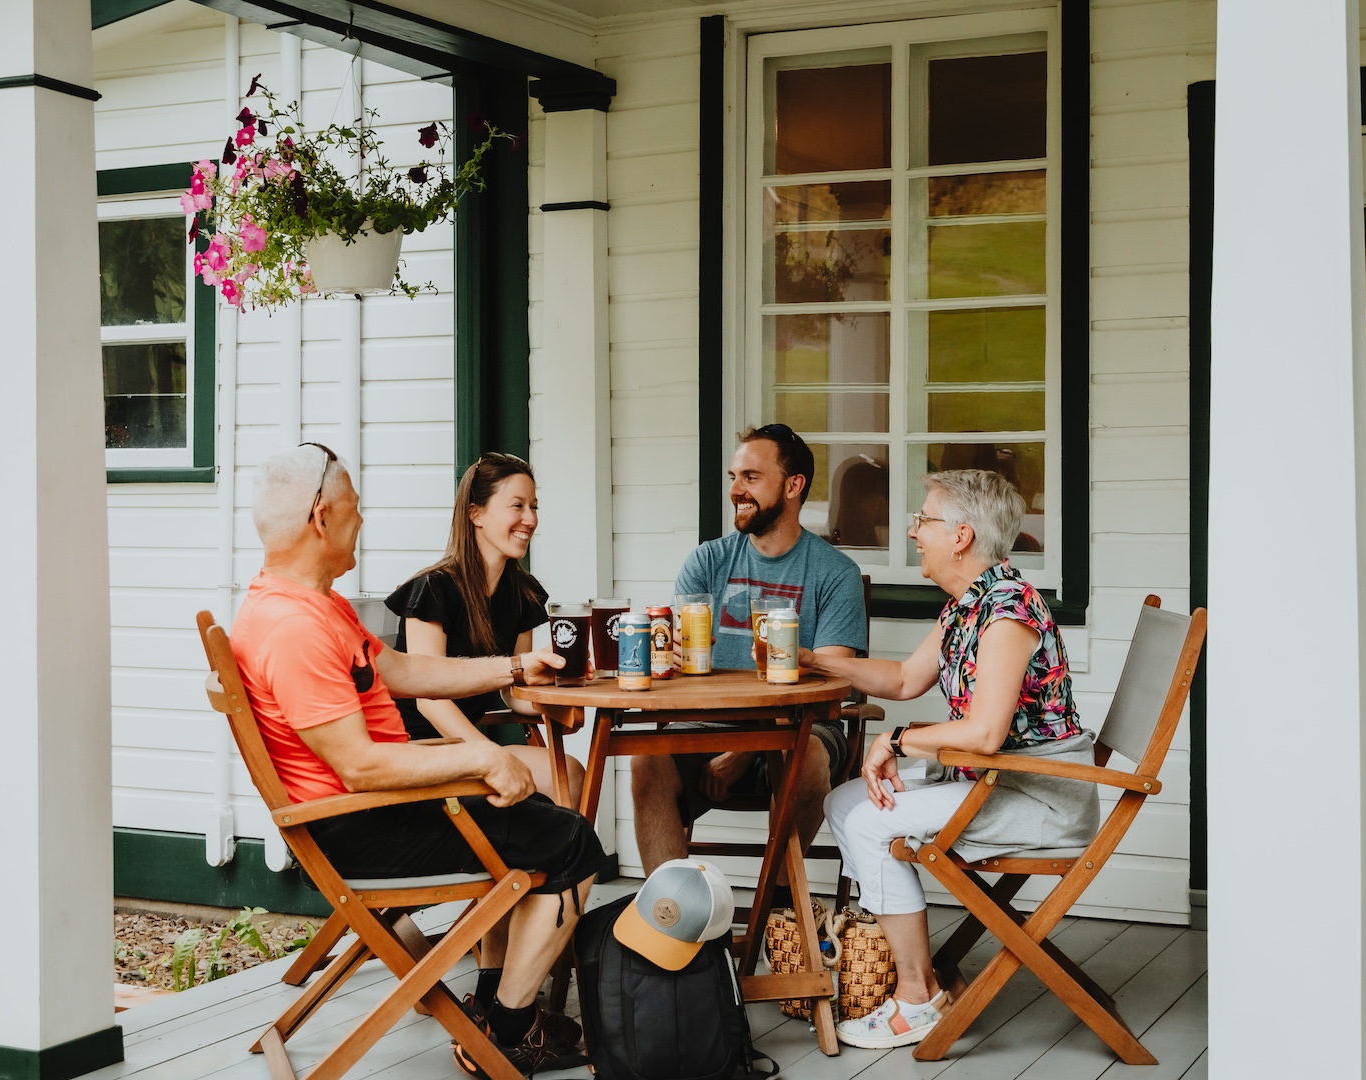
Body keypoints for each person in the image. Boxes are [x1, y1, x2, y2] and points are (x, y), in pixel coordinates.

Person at [229, 444, 604, 1078]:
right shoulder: (294, 630)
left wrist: (513, 666)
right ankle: (509, 1032)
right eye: (353, 507)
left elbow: (404, 670)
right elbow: (361, 769)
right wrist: (482, 760)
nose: (361, 520)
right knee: (570, 842)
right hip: (365, 826)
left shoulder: (316, 607)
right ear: (321, 516)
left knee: (537, 812)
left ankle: (490, 1006)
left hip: (374, 813)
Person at [808, 469, 1097, 1050]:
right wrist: (814, 660)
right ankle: (921, 975)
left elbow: (986, 732)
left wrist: (896, 742)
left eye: (924, 519)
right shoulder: (967, 605)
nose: (914, 531)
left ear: (961, 535)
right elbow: (903, 677)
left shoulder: (1008, 610)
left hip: (1036, 794)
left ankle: (918, 998)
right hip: (992, 780)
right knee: (845, 801)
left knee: (869, 818)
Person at [386, 451, 587, 1021]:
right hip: (418, 752)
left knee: (570, 779)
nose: (529, 518)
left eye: (534, 507)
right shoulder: (434, 590)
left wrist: (559, 690)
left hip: (474, 743)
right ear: (476, 514)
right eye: (516, 506)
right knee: (539, 796)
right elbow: (427, 695)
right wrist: (488, 754)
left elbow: (514, 690)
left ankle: (500, 969)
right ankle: (506, 965)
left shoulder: (523, 593)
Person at [629, 424, 868, 888]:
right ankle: (675, 917)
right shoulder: (707, 561)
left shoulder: (835, 573)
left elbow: (828, 686)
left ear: (793, 486)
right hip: (706, 722)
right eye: (733, 476)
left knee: (809, 759)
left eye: (751, 477)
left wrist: (745, 748)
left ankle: (775, 912)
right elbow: (677, 662)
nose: (736, 489)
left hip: (801, 727)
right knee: (646, 762)